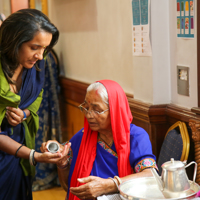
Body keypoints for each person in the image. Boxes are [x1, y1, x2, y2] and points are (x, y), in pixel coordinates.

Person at [41, 80, 158, 200]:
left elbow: (150, 176)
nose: (89, 115)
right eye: (86, 107)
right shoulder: (83, 137)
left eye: (97, 110)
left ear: (114, 110)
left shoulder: (136, 136)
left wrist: (109, 185)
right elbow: (69, 187)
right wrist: (62, 163)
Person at [0, 9, 65, 200]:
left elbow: (38, 96)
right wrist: (34, 155)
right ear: (14, 41)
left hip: (19, 147)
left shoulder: (37, 64)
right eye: (34, 47)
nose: (40, 55)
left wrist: (25, 114)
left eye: (44, 48)